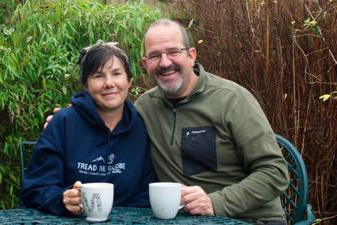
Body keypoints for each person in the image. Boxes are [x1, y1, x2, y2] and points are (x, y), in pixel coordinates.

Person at [45, 19, 289, 224]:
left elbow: (275, 171)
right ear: (145, 64)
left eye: (173, 52)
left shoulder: (232, 100)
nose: (165, 62)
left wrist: (215, 202)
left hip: (249, 218)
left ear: (191, 55)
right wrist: (69, 118)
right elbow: (104, 117)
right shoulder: (144, 108)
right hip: (182, 219)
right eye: (155, 56)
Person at [21, 41, 157, 217]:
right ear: (85, 85)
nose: (109, 83)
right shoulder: (63, 123)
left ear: (129, 81)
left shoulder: (141, 125)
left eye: (116, 74)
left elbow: (146, 192)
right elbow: (35, 189)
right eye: (98, 76)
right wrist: (62, 199)